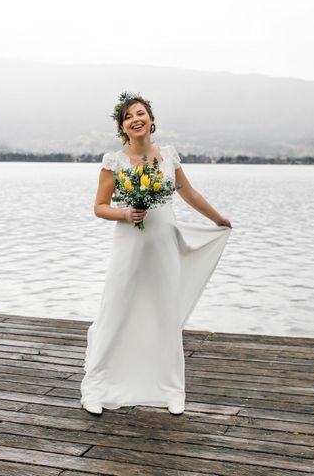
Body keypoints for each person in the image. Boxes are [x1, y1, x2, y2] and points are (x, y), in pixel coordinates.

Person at [80, 92, 232, 416]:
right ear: (123, 127)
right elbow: (99, 207)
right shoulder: (114, 162)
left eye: (141, 113)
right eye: (128, 116)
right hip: (129, 247)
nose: (136, 119)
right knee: (116, 309)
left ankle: (171, 388)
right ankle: (97, 385)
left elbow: (188, 192)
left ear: (151, 119)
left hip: (163, 246)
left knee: (165, 312)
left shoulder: (168, 156)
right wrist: (124, 214)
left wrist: (217, 218)